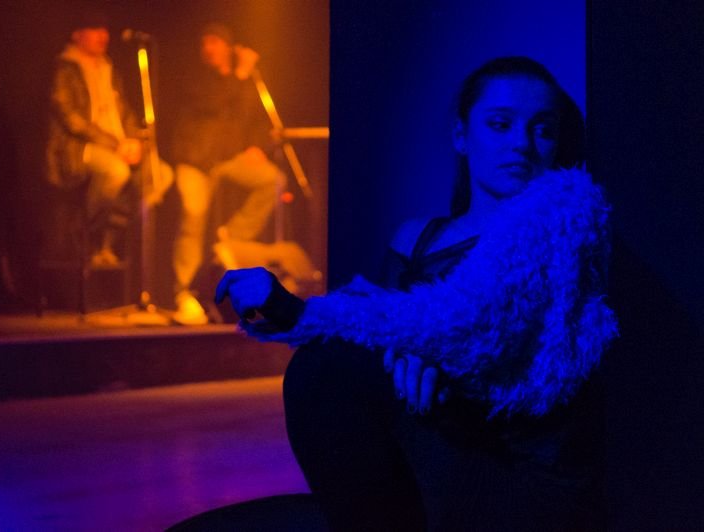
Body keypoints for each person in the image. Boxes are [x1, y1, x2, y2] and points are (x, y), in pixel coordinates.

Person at [215, 57, 618, 530]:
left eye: (542, 130)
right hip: (436, 452)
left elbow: (469, 328)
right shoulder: (416, 237)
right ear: (461, 136)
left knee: (323, 367)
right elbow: (379, 336)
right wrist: (405, 354)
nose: (522, 144)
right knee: (324, 370)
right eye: (500, 124)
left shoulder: (564, 218)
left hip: (518, 473)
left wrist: (297, 312)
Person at [170, 22, 286, 325]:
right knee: (193, 214)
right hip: (195, 161)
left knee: (273, 180)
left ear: (228, 47)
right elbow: (213, 103)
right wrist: (240, 75)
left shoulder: (244, 81)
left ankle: (230, 240)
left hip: (228, 160)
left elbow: (255, 119)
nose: (208, 48)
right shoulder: (194, 77)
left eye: (215, 42)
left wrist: (256, 146)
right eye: (204, 42)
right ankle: (184, 291)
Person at [45, 11, 171, 265]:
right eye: (95, 29)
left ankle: (110, 241)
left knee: (161, 175)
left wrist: (136, 142)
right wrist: (116, 145)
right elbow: (71, 118)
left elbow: (123, 112)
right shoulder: (65, 68)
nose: (103, 35)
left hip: (117, 146)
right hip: (79, 148)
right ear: (77, 35)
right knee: (116, 172)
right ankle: (85, 232)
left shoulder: (109, 69)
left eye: (105, 30)